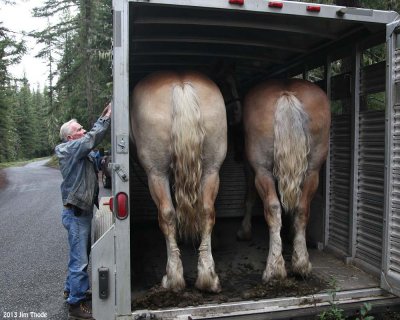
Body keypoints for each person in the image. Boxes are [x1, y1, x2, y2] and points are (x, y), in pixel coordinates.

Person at [55, 103, 111, 320]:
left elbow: (89, 142)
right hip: (76, 214)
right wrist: (106, 119)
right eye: (79, 129)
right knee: (80, 261)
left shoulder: (77, 149)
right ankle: (75, 306)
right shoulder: (67, 150)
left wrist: (103, 115)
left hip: (82, 212)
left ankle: (71, 290)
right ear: (70, 137)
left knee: (79, 255)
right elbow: (90, 140)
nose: (83, 131)